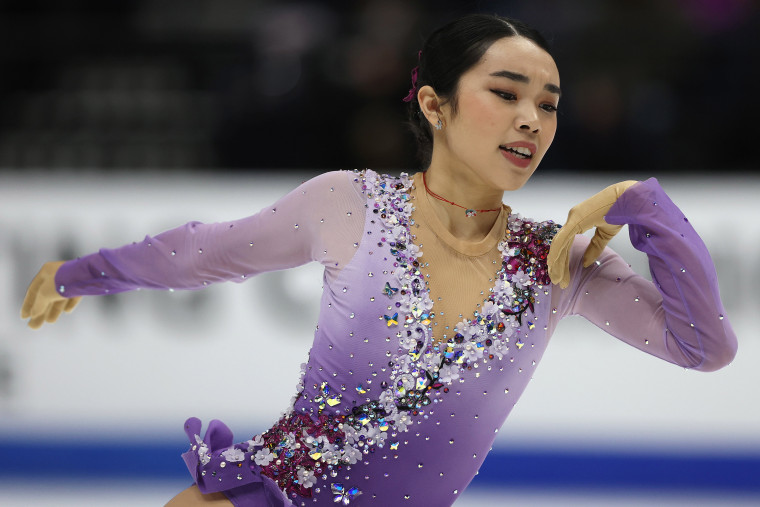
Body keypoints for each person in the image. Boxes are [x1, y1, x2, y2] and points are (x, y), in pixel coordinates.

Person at [20, 14, 736, 507]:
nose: (531, 119)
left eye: (547, 104)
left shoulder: (558, 261)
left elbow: (705, 347)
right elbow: (204, 252)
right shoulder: (349, 204)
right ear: (435, 103)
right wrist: (78, 273)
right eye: (505, 93)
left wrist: (644, 208)